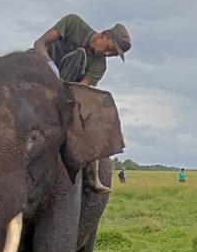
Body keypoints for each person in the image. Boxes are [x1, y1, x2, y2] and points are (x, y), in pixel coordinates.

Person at [32, 13, 132, 195]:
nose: (108, 54)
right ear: (103, 35)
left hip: (63, 91)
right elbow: (39, 43)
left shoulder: (100, 65)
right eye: (109, 48)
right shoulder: (73, 23)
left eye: (113, 54)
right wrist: (49, 66)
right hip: (35, 72)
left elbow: (80, 89)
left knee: (92, 112)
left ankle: (91, 176)